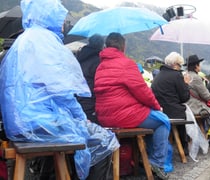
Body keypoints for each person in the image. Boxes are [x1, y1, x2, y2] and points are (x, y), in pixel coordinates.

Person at [0, 1, 119, 179]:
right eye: (61, 19)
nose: (63, 24)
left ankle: (46, 175)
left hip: (18, 124)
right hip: (37, 124)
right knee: (104, 140)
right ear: (50, 16)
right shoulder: (45, 41)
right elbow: (61, 91)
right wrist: (81, 119)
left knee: (72, 128)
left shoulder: (23, 41)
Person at [94, 32, 171, 180]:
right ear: (123, 46)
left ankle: (147, 160)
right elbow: (143, 91)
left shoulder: (101, 66)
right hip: (124, 115)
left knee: (153, 121)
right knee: (163, 121)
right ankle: (157, 163)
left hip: (104, 117)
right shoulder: (127, 64)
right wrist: (156, 107)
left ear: (106, 46)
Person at [151, 52, 190, 155]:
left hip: (159, 112)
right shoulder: (176, 75)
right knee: (182, 111)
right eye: (180, 65)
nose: (180, 68)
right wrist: (186, 84)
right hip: (173, 113)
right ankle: (184, 147)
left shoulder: (158, 76)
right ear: (175, 64)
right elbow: (184, 98)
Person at [76, 34, 104, 125]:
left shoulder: (79, 59)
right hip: (91, 103)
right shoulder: (99, 61)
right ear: (101, 46)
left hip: (77, 102)